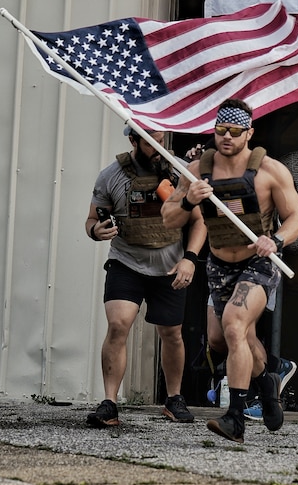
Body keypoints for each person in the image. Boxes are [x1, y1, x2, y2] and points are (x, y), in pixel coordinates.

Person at [162, 98, 298, 443]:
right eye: (220, 130)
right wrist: (188, 200)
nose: (226, 137)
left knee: (234, 324)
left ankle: (235, 418)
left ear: (249, 133)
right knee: (223, 338)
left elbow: (297, 220)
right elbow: (169, 219)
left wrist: (277, 242)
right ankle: (267, 381)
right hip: (219, 263)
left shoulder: (270, 171)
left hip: (258, 261)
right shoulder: (197, 171)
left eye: (235, 131)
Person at [85, 126, 207, 428]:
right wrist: (95, 231)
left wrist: (189, 259)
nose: (158, 146)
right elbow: (91, 219)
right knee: (118, 325)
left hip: (169, 265)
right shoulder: (110, 175)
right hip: (126, 262)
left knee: (172, 333)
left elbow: (200, 220)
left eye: (162, 140)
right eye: (151, 141)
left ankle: (174, 399)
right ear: (133, 140)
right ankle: (110, 403)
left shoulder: (180, 173)